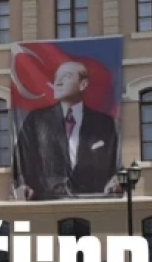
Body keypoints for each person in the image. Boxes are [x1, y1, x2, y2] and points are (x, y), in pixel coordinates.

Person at [15, 60, 119, 200]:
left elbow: (115, 163)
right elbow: (21, 157)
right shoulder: (36, 121)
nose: (58, 82)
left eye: (66, 76)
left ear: (83, 84)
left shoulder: (104, 123)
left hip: (92, 202)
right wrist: (22, 185)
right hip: (47, 202)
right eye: (56, 77)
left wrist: (116, 181)